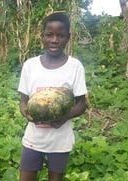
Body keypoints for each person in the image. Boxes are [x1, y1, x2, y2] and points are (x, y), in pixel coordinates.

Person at [17, 12, 88, 181]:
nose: (54, 40)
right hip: (33, 139)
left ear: (68, 37)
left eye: (60, 35)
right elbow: (23, 101)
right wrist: (26, 113)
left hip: (60, 141)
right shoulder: (30, 66)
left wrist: (64, 117)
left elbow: (82, 104)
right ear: (42, 36)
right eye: (49, 35)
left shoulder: (75, 67)